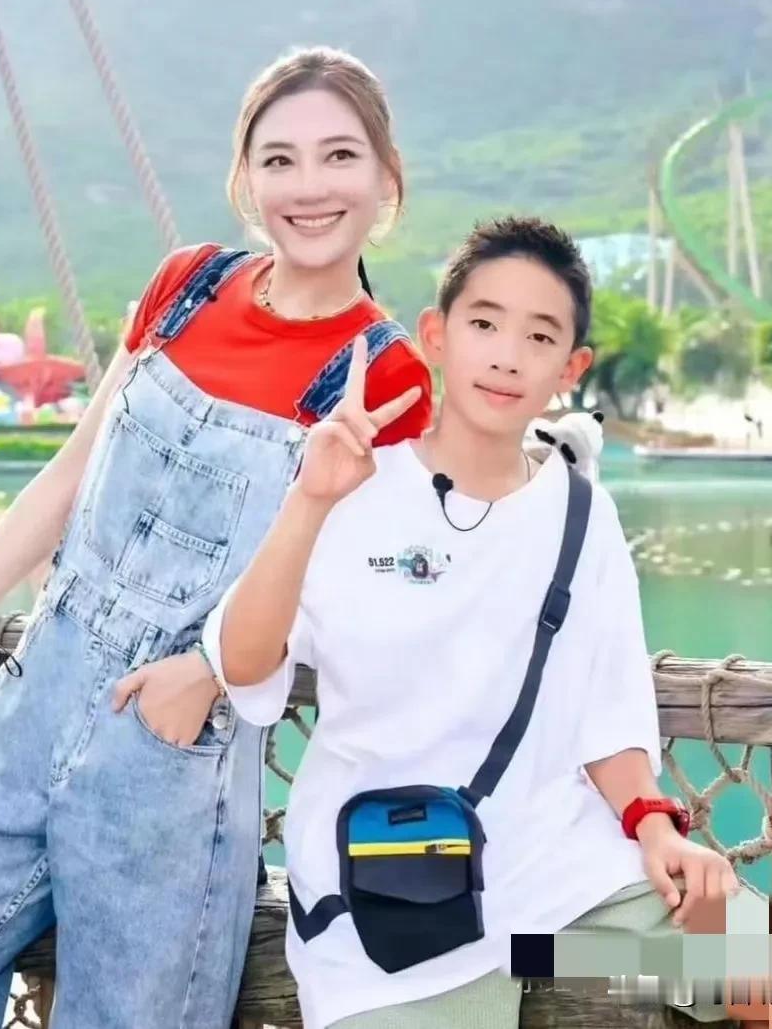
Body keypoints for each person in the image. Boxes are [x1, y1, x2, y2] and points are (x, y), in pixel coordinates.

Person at [0, 46, 432, 1029]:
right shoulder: (186, 287)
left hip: (172, 753)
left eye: (339, 156)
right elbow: (68, 477)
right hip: (31, 696)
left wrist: (203, 675)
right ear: (244, 179)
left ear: (385, 178)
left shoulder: (391, 377)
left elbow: (360, 601)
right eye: (279, 160)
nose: (309, 187)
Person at [207, 217, 738, 1029]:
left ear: (570, 368)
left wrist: (655, 826)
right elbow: (246, 666)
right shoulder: (350, 485)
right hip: (392, 909)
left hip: (565, 888)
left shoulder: (583, 513)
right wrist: (310, 499)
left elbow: (608, 713)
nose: (507, 355)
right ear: (436, 335)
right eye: (484, 323)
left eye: (540, 336)